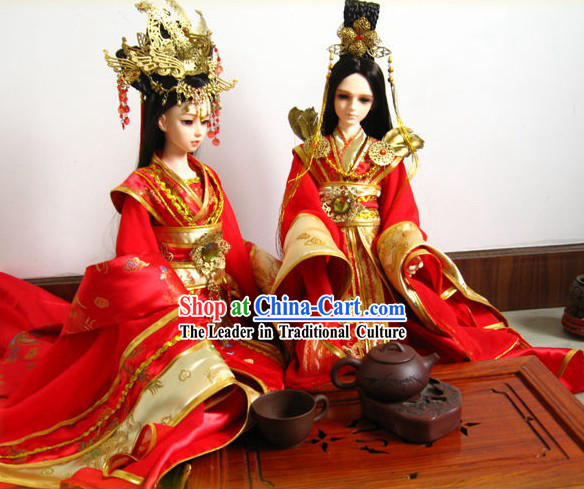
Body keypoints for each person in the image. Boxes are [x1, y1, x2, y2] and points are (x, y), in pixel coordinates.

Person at [0, 2, 283, 488]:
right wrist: (174, 308)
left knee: (267, 364)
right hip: (170, 311)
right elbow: (136, 265)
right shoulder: (142, 188)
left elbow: (232, 246)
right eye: (188, 121)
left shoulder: (209, 179)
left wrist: (260, 295)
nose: (199, 132)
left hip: (221, 308)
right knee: (195, 385)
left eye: (203, 120)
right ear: (161, 121)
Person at [273, 0, 583, 392]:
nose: (352, 108)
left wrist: (404, 250)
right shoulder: (310, 154)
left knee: (415, 329)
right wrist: (318, 244)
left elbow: (401, 213)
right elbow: (300, 210)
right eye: (343, 97)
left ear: (376, 102)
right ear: (330, 96)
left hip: (375, 255)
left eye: (364, 99)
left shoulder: (386, 155)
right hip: (331, 260)